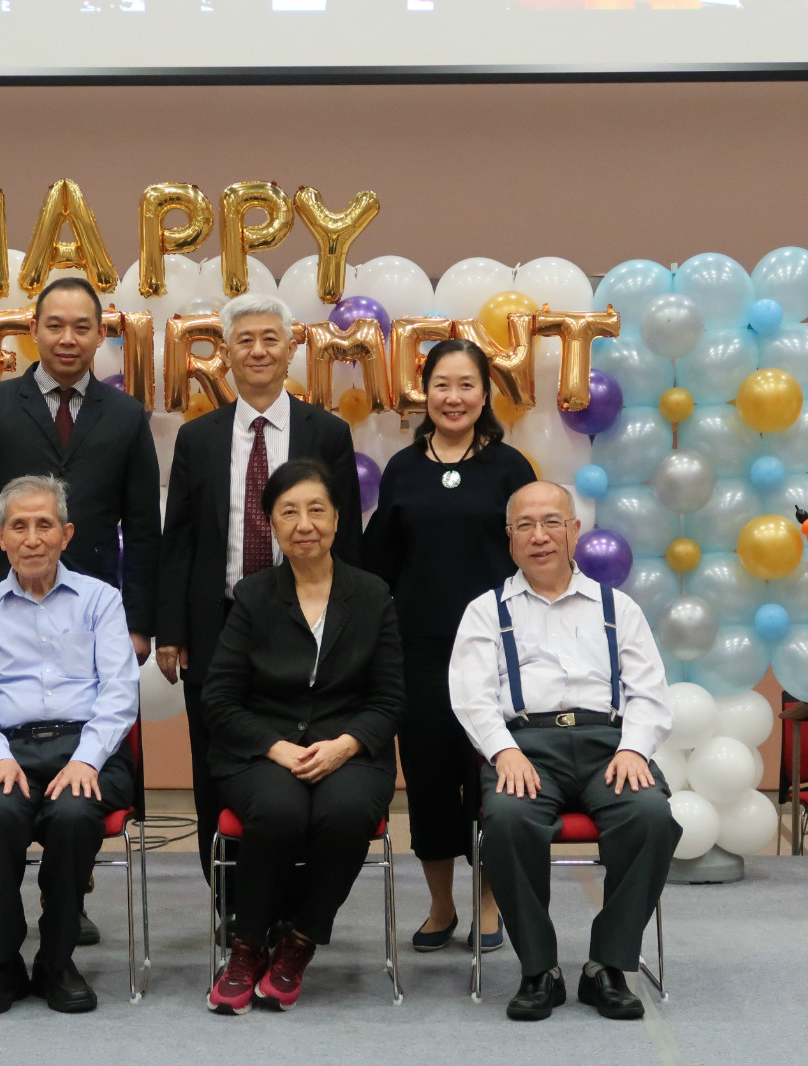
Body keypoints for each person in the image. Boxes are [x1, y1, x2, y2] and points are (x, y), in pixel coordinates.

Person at [0, 275, 160, 946]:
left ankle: (72, 895)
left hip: (88, 611)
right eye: (55, 325)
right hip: (3, 605)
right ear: (33, 331)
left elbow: (142, 526)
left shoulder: (125, 416)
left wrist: (139, 620)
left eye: (82, 326)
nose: (68, 338)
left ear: (101, 335)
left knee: (83, 767)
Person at [156, 292, 362, 894]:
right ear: (225, 354)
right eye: (244, 340)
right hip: (217, 624)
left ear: (291, 348)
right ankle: (227, 903)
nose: (258, 351)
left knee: (300, 757)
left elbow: (346, 537)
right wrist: (172, 630)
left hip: (306, 621)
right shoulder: (198, 438)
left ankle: (291, 898)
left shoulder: (328, 432)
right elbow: (179, 540)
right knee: (215, 763)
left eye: (271, 338)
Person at [449, 481, 678, 1022]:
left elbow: (650, 693)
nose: (540, 536)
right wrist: (502, 752)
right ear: (509, 537)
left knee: (650, 817)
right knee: (507, 819)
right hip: (526, 747)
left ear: (574, 531)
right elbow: (471, 696)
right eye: (525, 525)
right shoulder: (486, 611)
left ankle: (607, 966)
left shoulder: (617, 607)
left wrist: (635, 749)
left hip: (609, 746)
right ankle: (539, 970)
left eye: (552, 522)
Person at [203, 459, 403, 1015]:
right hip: (263, 749)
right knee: (278, 810)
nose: (304, 524)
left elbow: (390, 700)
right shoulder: (252, 596)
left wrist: (344, 746)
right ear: (271, 525)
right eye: (288, 513)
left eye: (317, 510)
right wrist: (275, 747)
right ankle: (247, 946)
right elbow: (219, 698)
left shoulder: (372, 595)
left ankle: (300, 940)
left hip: (350, 749)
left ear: (337, 519)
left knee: (345, 812)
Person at [362, 339, 535, 953]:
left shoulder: (511, 468)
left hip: (498, 652)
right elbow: (379, 564)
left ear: (485, 394)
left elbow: (533, 557)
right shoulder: (403, 468)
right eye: (442, 385)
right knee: (430, 780)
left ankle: (489, 901)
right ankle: (441, 905)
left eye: (466, 385)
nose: (453, 397)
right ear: (425, 393)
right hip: (420, 651)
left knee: (487, 775)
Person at [0, 475, 139, 1016]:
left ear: (66, 534)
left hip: (85, 745)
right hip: (7, 748)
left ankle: (56, 960)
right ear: (1, 537)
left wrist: (86, 759)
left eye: (44, 525)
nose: (32, 538)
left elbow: (120, 692)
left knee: (75, 814)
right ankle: (3, 960)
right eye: (19, 526)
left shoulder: (101, 600)